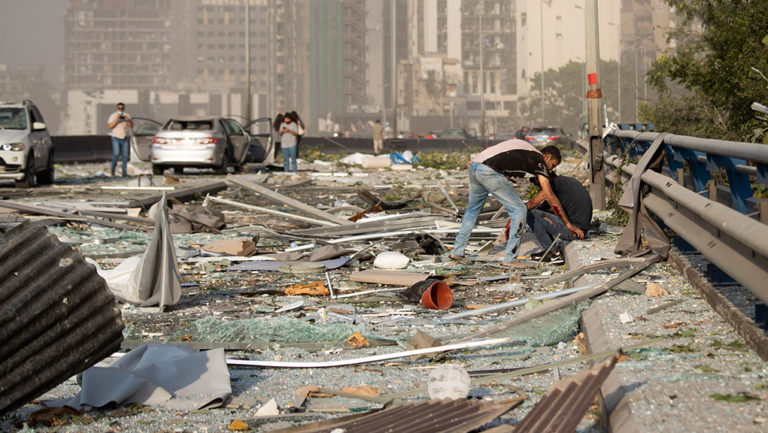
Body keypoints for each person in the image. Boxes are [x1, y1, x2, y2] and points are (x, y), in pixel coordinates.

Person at [449, 141, 584, 267]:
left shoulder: (526, 151)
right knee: (519, 211)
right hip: (489, 171)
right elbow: (549, 195)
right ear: (547, 157)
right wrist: (568, 224)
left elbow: (503, 158)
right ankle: (510, 259)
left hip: (475, 165)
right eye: (552, 166)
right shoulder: (539, 160)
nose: (550, 170)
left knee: (472, 211)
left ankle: (457, 251)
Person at [525, 174, 593, 262]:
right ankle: (551, 251)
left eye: (535, 182)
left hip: (574, 231)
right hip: (580, 229)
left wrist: (514, 217)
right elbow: (547, 207)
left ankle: (553, 253)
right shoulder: (562, 182)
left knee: (530, 213)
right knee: (539, 212)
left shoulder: (551, 185)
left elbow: (531, 204)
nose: (537, 186)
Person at [107, 102, 133, 177]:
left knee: (125, 156)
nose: (121, 110)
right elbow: (110, 126)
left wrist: (128, 120)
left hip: (125, 137)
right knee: (116, 154)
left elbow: (131, 125)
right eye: (119, 108)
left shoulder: (127, 115)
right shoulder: (113, 116)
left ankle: (124, 172)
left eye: (122, 108)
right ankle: (113, 171)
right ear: (117, 108)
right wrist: (117, 119)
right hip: (116, 137)